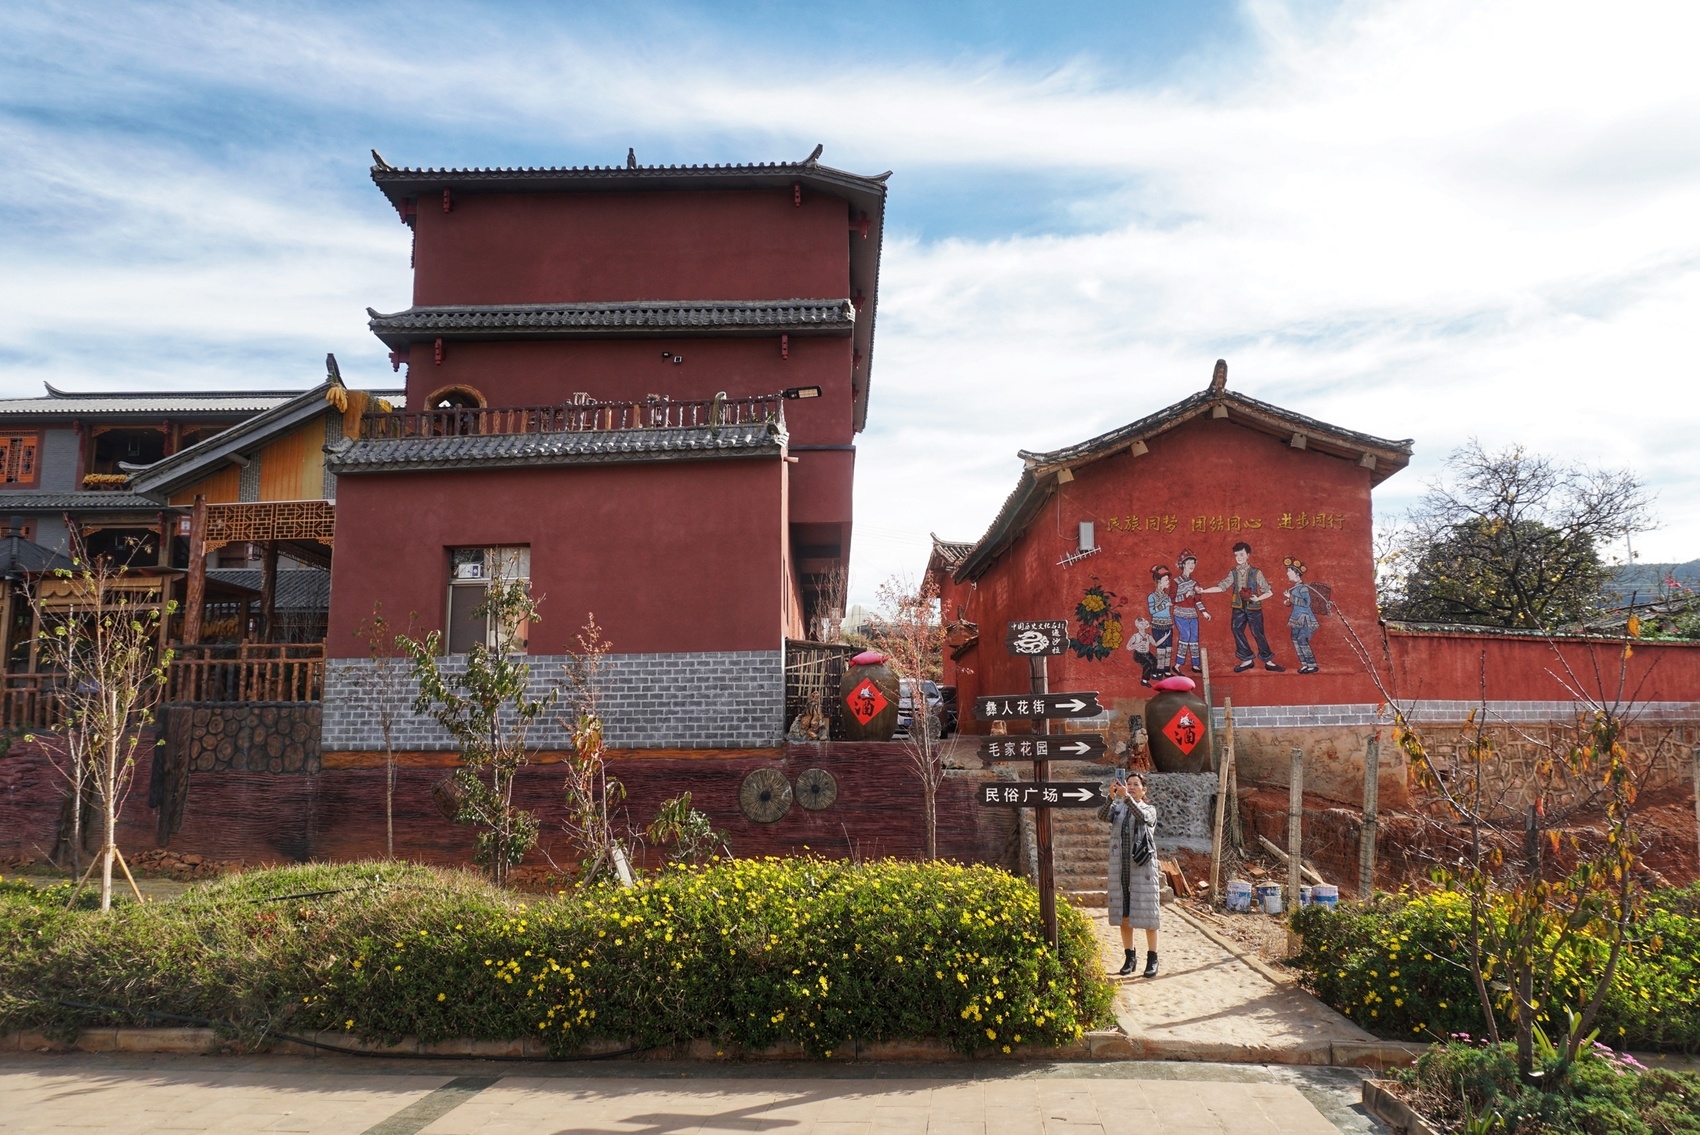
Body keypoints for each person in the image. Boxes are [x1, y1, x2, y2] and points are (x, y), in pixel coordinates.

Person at [1101, 771, 1160, 977]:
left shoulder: (1149, 809)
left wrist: (1126, 797)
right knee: (1124, 914)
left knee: (1149, 913)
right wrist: (1111, 797)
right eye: (1129, 783)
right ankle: (1130, 957)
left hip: (1142, 868)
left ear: (1144, 790)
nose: (1131, 787)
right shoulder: (1118, 808)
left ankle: (1152, 958)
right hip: (1121, 868)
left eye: (1136, 784)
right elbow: (1102, 816)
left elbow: (1142, 818)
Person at [1199, 541, 1284, 673]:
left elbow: (1269, 592)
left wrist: (1258, 598)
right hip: (1238, 606)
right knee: (1236, 629)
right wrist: (1204, 591)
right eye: (1236, 555)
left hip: (1253, 607)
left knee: (1258, 633)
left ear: (1248, 555)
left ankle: (1268, 660)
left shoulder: (1256, 572)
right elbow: (1222, 587)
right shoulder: (1233, 573)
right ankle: (1247, 659)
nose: (1239, 557)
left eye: (1242, 554)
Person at [1171, 550, 1212, 674]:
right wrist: (1186, 595)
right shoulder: (1176, 581)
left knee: (1194, 638)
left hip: (1193, 615)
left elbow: (1197, 600)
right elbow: (1172, 600)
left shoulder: (1195, 583)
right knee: (1185, 636)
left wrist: (1204, 612)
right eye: (1188, 562)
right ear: (1183, 564)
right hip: (1180, 614)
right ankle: (1177, 665)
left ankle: (1195, 665)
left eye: (1193, 563)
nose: (1191, 565)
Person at [1283, 557, 1319, 674]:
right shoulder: (1295, 588)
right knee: (1295, 639)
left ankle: (1312, 665)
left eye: (1289, 571)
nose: (1287, 573)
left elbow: (1306, 603)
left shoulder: (1303, 588)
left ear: (1297, 573)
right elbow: (1296, 602)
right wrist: (1288, 601)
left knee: (1302, 639)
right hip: (1296, 618)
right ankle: (1305, 664)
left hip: (1306, 619)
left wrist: (1290, 597)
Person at [1146, 565, 1175, 679]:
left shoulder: (1167, 597)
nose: (1168, 582)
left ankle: (1166, 670)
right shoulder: (1151, 597)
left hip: (1168, 624)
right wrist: (1164, 605)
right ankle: (1159, 671)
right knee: (1161, 649)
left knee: (1168, 649)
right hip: (1158, 626)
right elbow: (1152, 611)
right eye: (1166, 580)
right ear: (1159, 581)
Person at [1127, 616, 1157, 686]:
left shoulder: (1148, 636)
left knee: (1154, 661)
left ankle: (1153, 674)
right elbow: (1128, 647)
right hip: (1138, 654)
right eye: (1141, 624)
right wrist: (1139, 644)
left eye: (1143, 623)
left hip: (1147, 653)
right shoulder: (1135, 636)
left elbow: (1155, 644)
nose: (1142, 625)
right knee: (1147, 664)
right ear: (1137, 626)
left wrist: (1164, 638)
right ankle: (1144, 681)